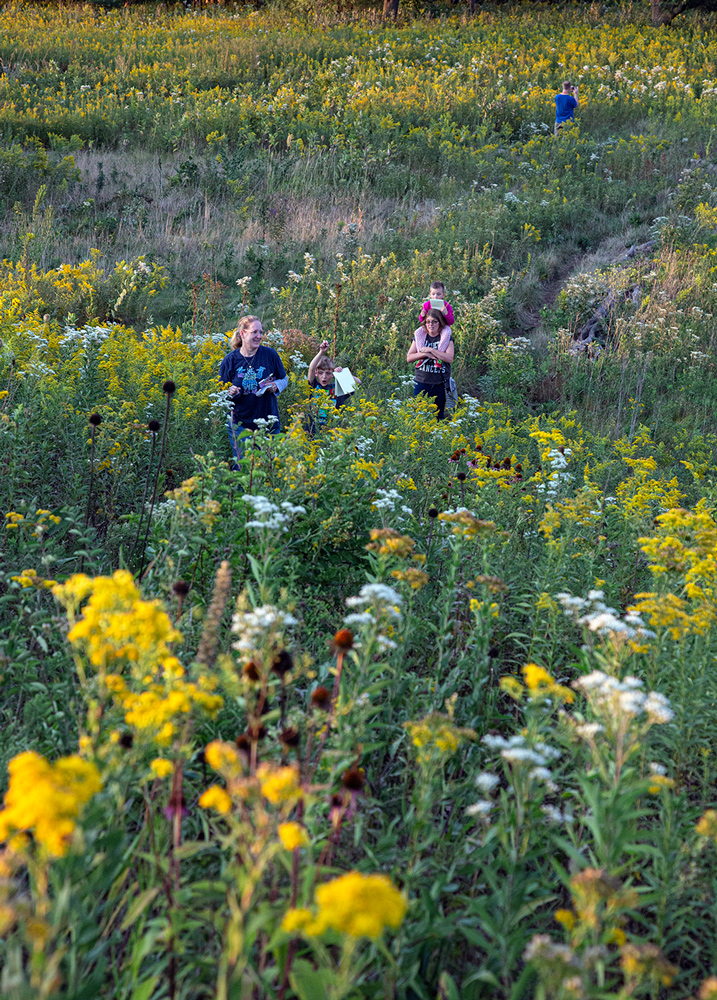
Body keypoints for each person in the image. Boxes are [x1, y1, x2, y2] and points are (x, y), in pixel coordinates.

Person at [219, 315, 288, 462]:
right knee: (244, 466)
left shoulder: (270, 355)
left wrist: (275, 386)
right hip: (240, 425)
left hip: (269, 423)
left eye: (261, 332)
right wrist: (230, 392)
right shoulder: (230, 360)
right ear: (243, 334)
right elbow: (221, 392)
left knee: (268, 467)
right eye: (255, 332)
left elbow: (284, 379)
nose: (259, 336)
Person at [406, 308, 454, 420]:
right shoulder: (419, 338)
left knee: (438, 416)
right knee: (419, 416)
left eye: (434, 322)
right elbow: (409, 358)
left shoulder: (446, 338)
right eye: (428, 322)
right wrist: (425, 354)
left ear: (440, 323)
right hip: (421, 382)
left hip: (439, 384)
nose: (430, 324)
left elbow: (449, 358)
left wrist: (431, 350)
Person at [306, 339, 360, 432]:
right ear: (316, 374)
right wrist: (321, 352)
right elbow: (311, 368)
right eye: (320, 373)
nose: (324, 376)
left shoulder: (337, 388)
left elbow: (358, 382)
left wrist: (343, 373)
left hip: (331, 432)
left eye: (327, 373)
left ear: (332, 374)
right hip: (312, 430)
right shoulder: (313, 386)